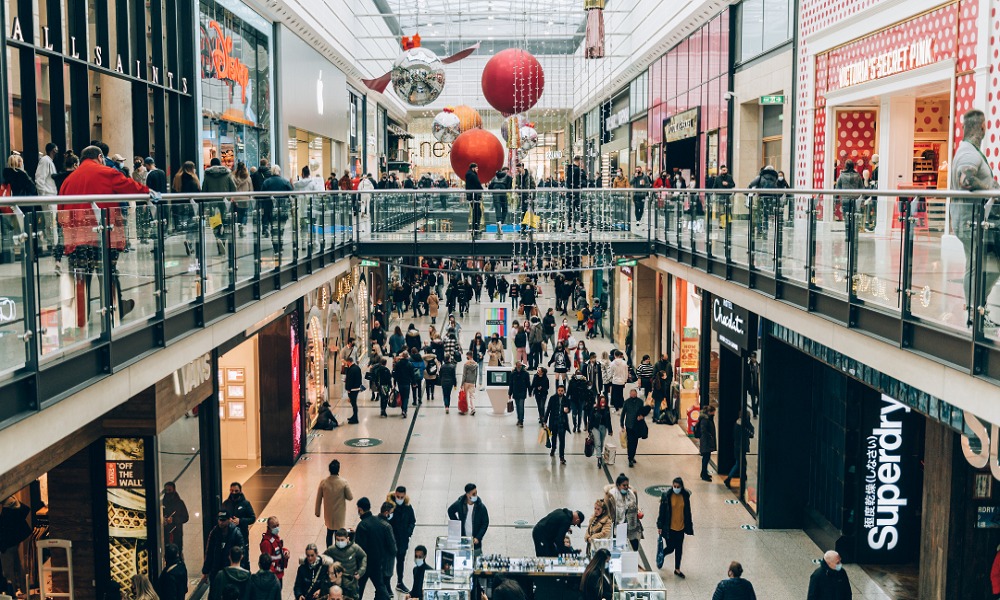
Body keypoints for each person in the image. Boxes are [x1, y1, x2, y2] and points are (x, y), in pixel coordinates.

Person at [950, 109, 1000, 327]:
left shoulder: (968, 150)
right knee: (988, 266)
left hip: (969, 221)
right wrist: (988, 187)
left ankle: (976, 313)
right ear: (982, 127)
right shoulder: (969, 153)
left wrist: (993, 188)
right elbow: (966, 180)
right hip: (970, 222)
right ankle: (975, 313)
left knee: (977, 265)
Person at [354, 499, 396, 600]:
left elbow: (359, 548)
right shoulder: (378, 521)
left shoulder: (362, 525)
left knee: (358, 590)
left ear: (360, 509)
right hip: (377, 562)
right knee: (381, 587)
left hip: (365, 564)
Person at [656, 477, 693, 578]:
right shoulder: (667, 496)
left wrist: (689, 525)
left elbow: (687, 511)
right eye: (674, 486)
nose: (676, 488)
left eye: (678, 486)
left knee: (679, 549)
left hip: (680, 527)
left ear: (681, 487)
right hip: (669, 528)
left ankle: (677, 569)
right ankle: (662, 553)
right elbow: (662, 512)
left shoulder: (685, 496)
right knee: (671, 548)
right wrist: (659, 525)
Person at [316, 459, 354, 548]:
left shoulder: (324, 482)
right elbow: (350, 497)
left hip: (329, 514)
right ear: (338, 469)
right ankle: (338, 549)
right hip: (339, 514)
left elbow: (318, 499)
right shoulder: (343, 482)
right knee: (339, 534)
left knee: (329, 532)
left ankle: (329, 550)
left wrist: (317, 512)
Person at [386, 487, 416, 593]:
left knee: (400, 562)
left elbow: (412, 521)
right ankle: (387, 585)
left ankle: (399, 582)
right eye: (398, 497)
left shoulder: (408, 507)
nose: (399, 499)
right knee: (388, 563)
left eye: (401, 497)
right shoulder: (389, 507)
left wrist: (408, 533)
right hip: (390, 540)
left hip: (402, 540)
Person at [202, 510, 245, 582]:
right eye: (219, 520)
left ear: (229, 520)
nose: (221, 522)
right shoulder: (214, 533)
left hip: (230, 571)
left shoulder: (236, 533)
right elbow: (209, 552)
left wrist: (240, 570)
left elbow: (241, 553)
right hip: (216, 569)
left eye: (223, 520)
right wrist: (205, 571)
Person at [323, 528, 367, 600]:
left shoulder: (355, 548)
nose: (340, 542)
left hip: (351, 582)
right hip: (337, 581)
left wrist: (361, 571)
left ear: (347, 539)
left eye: (342, 540)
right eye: (338, 540)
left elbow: (363, 557)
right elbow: (324, 558)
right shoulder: (331, 549)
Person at [446, 484, 489, 555]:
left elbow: (485, 523)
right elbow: (450, 511)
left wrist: (478, 537)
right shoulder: (460, 504)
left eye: (476, 493)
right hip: (463, 539)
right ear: (467, 494)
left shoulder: (481, 507)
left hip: (475, 540)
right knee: (463, 559)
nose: (476, 496)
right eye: (473, 494)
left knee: (476, 557)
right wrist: (457, 524)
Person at [604, 474, 642, 551]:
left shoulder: (632, 494)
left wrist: (638, 511)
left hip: (631, 525)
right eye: (624, 485)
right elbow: (607, 511)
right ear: (618, 485)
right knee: (619, 549)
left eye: (627, 485)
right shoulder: (611, 496)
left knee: (634, 547)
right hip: (618, 526)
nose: (626, 487)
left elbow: (636, 506)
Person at [222, 482, 256, 569]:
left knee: (244, 559)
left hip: (243, 537)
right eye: (232, 491)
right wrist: (227, 521)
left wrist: (240, 521)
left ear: (240, 491)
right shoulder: (226, 504)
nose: (233, 493)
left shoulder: (246, 504)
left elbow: (252, 518)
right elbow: (221, 517)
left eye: (236, 491)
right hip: (229, 537)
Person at [724, 412, 755, 489]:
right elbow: (751, 434)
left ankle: (743, 477)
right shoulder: (744, 425)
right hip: (741, 447)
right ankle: (729, 478)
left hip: (737, 446)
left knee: (741, 462)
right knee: (739, 463)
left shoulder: (737, 423)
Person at [621, 389, 648, 467]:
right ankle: (630, 458)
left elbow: (643, 412)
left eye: (634, 394)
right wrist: (622, 424)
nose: (633, 395)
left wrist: (642, 417)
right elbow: (623, 413)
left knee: (635, 442)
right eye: (632, 394)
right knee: (630, 442)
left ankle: (632, 456)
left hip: (637, 425)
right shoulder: (627, 402)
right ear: (630, 394)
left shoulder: (640, 402)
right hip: (629, 425)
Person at [545, 384, 571, 465]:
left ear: (564, 391)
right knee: (554, 437)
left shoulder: (566, 399)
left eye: (562, 391)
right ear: (557, 390)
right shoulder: (552, 398)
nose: (560, 392)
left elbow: (569, 408)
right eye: (559, 390)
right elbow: (548, 409)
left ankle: (561, 456)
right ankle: (553, 448)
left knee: (562, 440)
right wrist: (545, 421)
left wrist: (568, 410)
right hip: (554, 421)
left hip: (562, 422)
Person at [259, 517, 290, 587]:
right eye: (274, 526)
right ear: (269, 527)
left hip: (279, 573)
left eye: (278, 525)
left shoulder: (275, 537)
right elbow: (266, 562)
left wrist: (285, 552)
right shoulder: (266, 543)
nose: (277, 528)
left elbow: (278, 549)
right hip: (273, 577)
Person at [590, 395, 613, 468]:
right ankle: (599, 458)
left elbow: (609, 420)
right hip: (596, 427)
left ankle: (599, 454)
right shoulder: (595, 409)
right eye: (601, 401)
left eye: (604, 401)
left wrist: (610, 430)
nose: (602, 402)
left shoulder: (607, 409)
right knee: (598, 442)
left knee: (602, 442)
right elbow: (591, 418)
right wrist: (589, 428)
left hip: (604, 427)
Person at [696, 404, 718, 481]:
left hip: (707, 441)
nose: (714, 413)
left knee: (706, 458)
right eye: (713, 412)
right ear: (709, 412)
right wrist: (710, 437)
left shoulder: (708, 418)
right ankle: (704, 474)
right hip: (706, 442)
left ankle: (704, 473)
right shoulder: (705, 420)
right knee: (706, 458)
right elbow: (704, 431)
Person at [507, 361, 531, 427]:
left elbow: (528, 383)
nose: (519, 367)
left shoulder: (525, 374)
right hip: (515, 392)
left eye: (520, 365)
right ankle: (519, 419)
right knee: (517, 406)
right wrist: (510, 393)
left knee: (521, 406)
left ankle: (521, 420)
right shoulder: (513, 374)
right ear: (516, 365)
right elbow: (511, 384)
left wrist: (530, 391)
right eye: (518, 365)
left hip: (522, 392)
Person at [392, 351, 413, 418]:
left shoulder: (398, 364)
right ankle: (404, 410)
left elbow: (395, 374)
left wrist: (394, 382)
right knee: (406, 397)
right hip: (407, 383)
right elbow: (412, 374)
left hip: (400, 383)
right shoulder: (409, 364)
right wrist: (414, 382)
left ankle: (402, 408)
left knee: (402, 396)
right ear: (407, 357)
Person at [466, 163, 484, 235]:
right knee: (477, 213)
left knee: (475, 212)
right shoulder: (473, 175)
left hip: (471, 196)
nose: (477, 170)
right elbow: (478, 184)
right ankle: (475, 229)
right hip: (475, 196)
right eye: (476, 168)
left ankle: (475, 229)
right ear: (473, 168)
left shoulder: (468, 175)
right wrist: (481, 190)